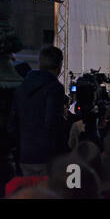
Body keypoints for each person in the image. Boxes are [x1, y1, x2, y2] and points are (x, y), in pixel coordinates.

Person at [8, 46, 68, 176]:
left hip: (24, 154)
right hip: (46, 156)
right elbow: (52, 122)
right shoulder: (54, 88)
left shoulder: (22, 87)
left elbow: (13, 122)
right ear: (60, 65)